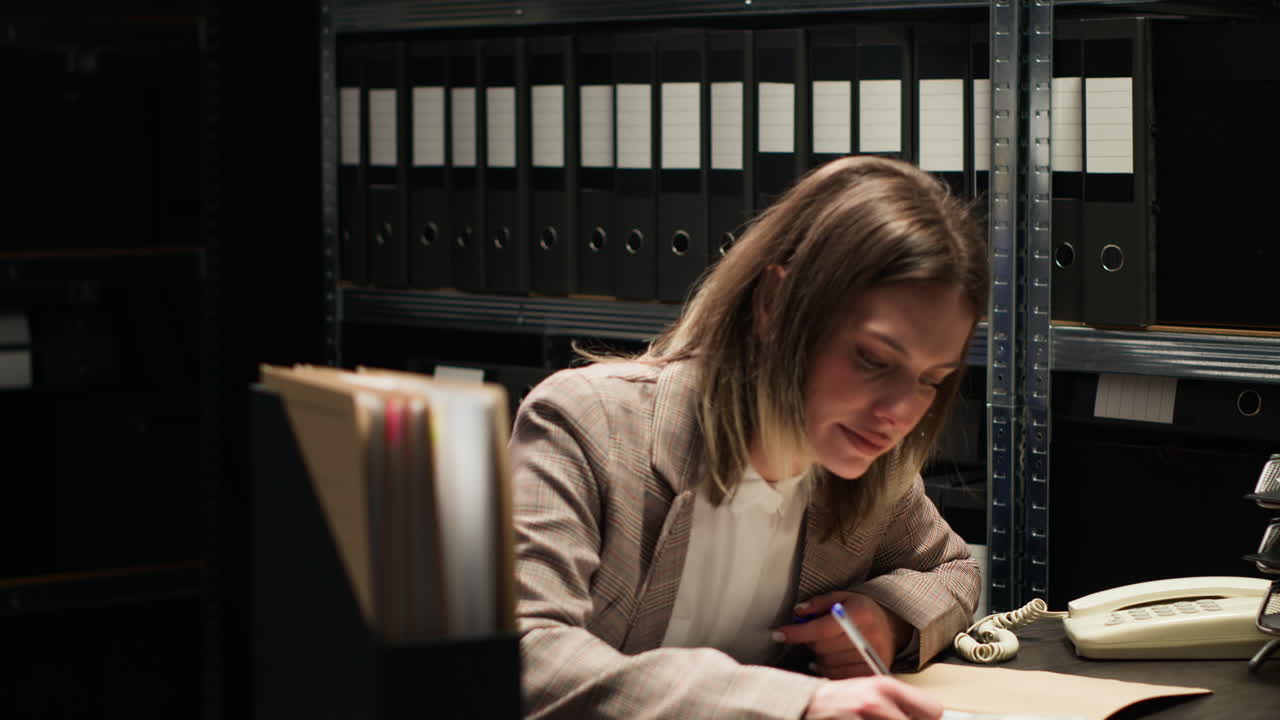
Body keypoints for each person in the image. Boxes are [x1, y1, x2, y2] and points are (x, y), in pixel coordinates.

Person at [510, 155, 988, 720]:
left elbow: (952, 570)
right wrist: (798, 704)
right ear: (773, 305)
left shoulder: (870, 461)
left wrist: (886, 616)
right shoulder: (588, 422)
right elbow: (526, 655)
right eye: (873, 359)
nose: (900, 414)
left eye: (931, 380)